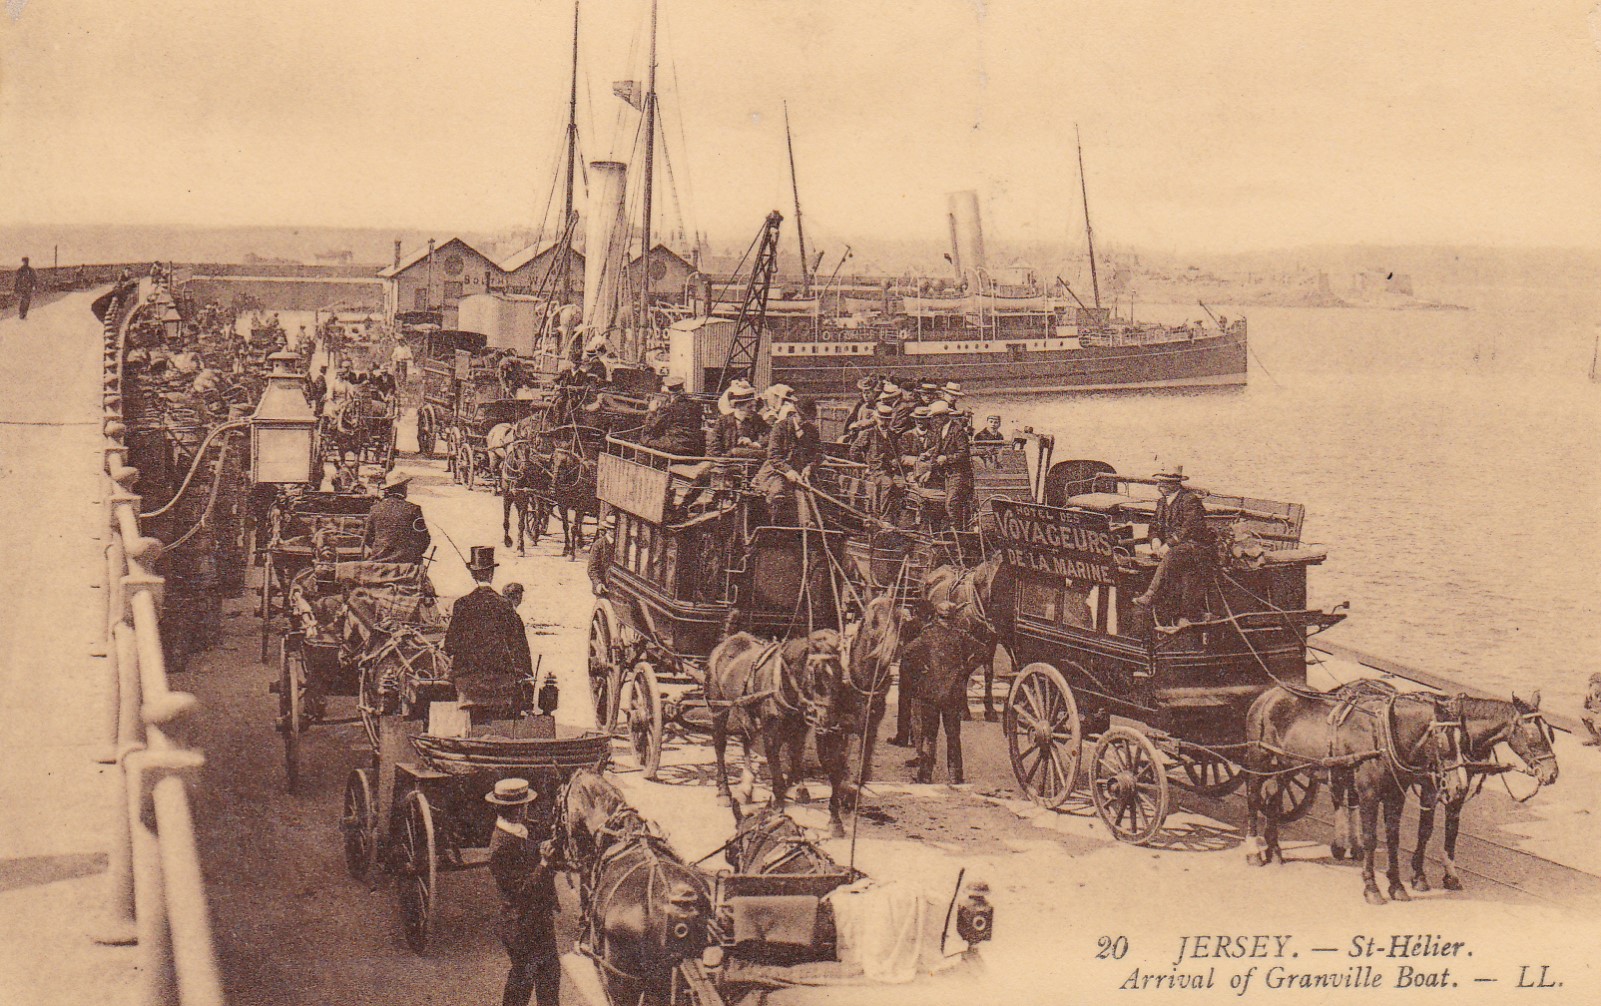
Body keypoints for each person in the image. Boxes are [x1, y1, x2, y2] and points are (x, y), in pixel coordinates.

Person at [485, 778, 561, 1006]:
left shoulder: (515, 829)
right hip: (520, 926)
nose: (527, 809)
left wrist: (540, 849)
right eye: (525, 805)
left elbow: (526, 849)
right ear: (519, 809)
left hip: (538, 920)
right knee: (523, 980)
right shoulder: (500, 847)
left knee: (549, 977)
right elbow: (522, 891)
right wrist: (544, 863)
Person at [444, 546, 534, 720]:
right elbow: (518, 649)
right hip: (501, 686)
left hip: (468, 687)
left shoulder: (462, 604)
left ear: (473, 575)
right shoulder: (505, 605)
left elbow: (450, 646)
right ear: (492, 574)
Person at [903, 602, 974, 784]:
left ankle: (925, 774)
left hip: (931, 693)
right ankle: (955, 775)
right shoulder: (960, 635)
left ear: (937, 616)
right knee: (953, 735)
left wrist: (921, 670)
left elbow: (907, 652)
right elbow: (982, 650)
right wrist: (965, 669)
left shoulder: (928, 634)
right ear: (954, 617)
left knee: (929, 735)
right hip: (953, 694)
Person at [1133, 469, 1216, 621]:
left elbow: (1189, 528)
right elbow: (1154, 526)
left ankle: (1151, 594)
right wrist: (1155, 540)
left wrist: (1169, 545)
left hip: (1195, 547)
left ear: (1175, 484)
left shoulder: (1190, 500)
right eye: (1159, 482)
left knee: (1173, 555)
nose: (1159, 486)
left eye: (1163, 483)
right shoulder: (1162, 502)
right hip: (1174, 548)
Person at [755, 391, 820, 526]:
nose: (805, 421)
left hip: (802, 473)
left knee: (815, 494)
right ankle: (775, 526)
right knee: (778, 493)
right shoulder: (780, 427)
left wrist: (810, 466)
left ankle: (808, 524)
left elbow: (818, 454)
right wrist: (788, 471)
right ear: (795, 414)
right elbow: (774, 456)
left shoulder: (812, 430)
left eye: (808, 418)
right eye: (803, 417)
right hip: (776, 471)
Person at [849, 400, 905, 524]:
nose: (884, 423)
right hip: (875, 470)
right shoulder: (869, 433)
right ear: (876, 419)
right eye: (881, 419)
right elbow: (854, 450)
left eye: (887, 420)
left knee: (903, 486)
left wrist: (896, 461)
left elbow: (899, 452)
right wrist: (864, 465)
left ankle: (898, 518)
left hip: (890, 470)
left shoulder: (893, 435)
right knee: (887, 484)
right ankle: (884, 518)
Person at [926, 400, 974, 529]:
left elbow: (964, 453)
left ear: (943, 416)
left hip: (960, 473)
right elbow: (937, 450)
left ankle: (956, 532)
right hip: (948, 473)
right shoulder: (940, 430)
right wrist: (931, 464)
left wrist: (947, 459)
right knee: (948, 504)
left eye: (936, 417)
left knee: (951, 504)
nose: (934, 420)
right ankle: (954, 531)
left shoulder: (958, 430)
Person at [365, 474, 431, 565]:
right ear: (403, 489)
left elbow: (368, 539)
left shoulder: (375, 508)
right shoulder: (413, 509)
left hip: (379, 560)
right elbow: (424, 538)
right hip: (407, 561)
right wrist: (414, 553)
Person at [641, 375, 706, 456]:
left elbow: (654, 426)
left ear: (668, 390)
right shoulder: (694, 404)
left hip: (676, 445)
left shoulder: (669, 407)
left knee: (645, 439)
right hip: (694, 445)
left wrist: (652, 411)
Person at [710, 382, 768, 458]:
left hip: (750, 459)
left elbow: (770, 434)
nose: (753, 410)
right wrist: (722, 457)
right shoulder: (723, 421)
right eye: (749, 407)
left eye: (754, 406)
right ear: (738, 406)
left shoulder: (756, 419)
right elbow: (713, 444)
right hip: (726, 460)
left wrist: (756, 444)